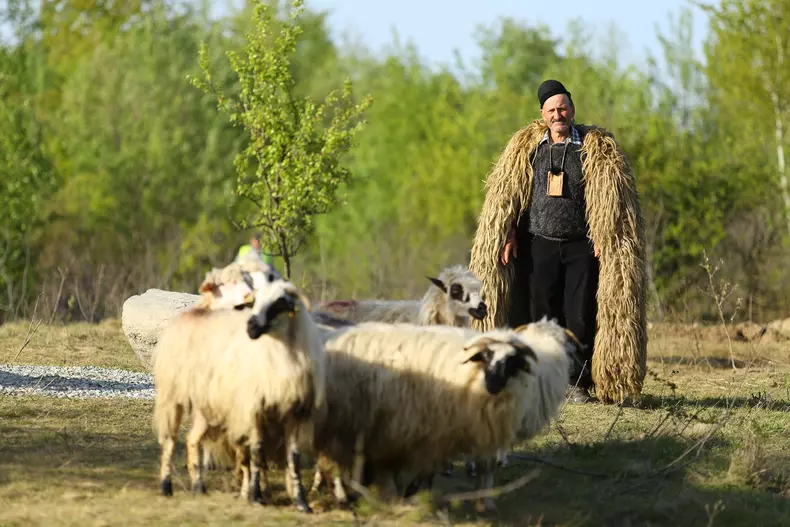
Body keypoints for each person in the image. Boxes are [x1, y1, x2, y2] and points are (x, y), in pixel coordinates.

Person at [468, 79, 648, 405]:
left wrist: (604, 233)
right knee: (542, 316)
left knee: (579, 316)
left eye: (562, 108)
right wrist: (508, 233)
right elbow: (510, 196)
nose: (557, 115)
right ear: (542, 113)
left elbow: (612, 198)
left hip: (581, 246)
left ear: (572, 110)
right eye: (551, 110)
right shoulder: (530, 147)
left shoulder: (593, 147)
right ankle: (542, 380)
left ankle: (577, 382)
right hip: (538, 245)